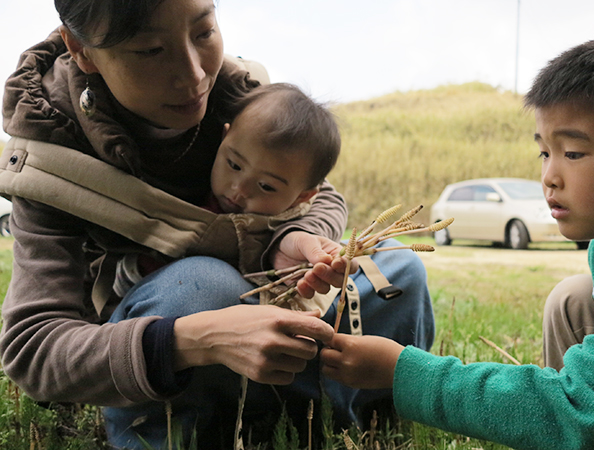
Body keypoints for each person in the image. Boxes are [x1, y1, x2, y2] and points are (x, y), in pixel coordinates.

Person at [0, 0, 435, 448]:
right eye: (150, 50)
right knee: (205, 286)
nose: (193, 76)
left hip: (263, 310)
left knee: (397, 271)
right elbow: (33, 349)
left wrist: (295, 240)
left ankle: (323, 416)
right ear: (81, 50)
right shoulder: (50, 158)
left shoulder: (242, 96)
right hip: (170, 343)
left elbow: (320, 193)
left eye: (204, 31)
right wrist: (197, 339)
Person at [321, 33, 594, 450]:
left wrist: (401, 373)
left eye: (572, 153)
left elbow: (571, 404)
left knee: (574, 411)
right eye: (545, 153)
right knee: (573, 299)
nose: (549, 176)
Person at [113, 82, 340, 298]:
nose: (239, 189)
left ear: (302, 197)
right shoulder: (188, 198)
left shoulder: (294, 222)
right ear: (223, 139)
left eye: (266, 186)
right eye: (234, 165)